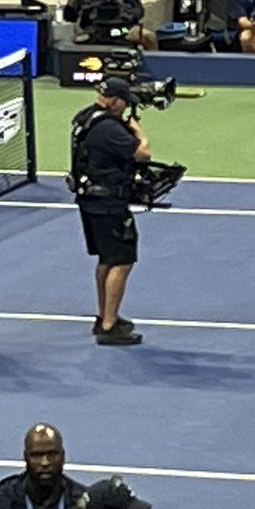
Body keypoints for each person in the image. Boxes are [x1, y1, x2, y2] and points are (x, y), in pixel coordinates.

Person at [72, 78, 151, 346]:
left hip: (90, 200)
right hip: (108, 203)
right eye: (125, 102)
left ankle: (104, 315)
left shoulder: (86, 118)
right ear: (115, 101)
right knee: (122, 260)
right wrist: (139, 133)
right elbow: (142, 154)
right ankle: (109, 324)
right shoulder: (108, 127)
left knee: (106, 258)